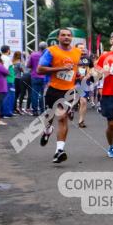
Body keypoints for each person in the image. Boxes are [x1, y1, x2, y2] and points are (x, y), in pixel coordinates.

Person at [36, 28, 83, 163]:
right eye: (63, 35)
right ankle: (47, 130)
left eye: (69, 35)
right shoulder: (51, 51)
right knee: (49, 117)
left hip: (68, 91)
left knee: (62, 118)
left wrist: (78, 75)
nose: (66, 37)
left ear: (71, 38)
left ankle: (59, 151)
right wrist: (60, 69)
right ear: (58, 37)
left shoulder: (77, 52)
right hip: (53, 89)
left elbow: (75, 70)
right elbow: (40, 69)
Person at [28, 42, 47, 116]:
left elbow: (28, 65)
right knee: (43, 94)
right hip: (44, 77)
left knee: (34, 94)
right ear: (46, 47)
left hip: (35, 76)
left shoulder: (33, 54)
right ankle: (42, 110)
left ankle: (35, 111)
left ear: (39, 47)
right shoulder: (47, 55)